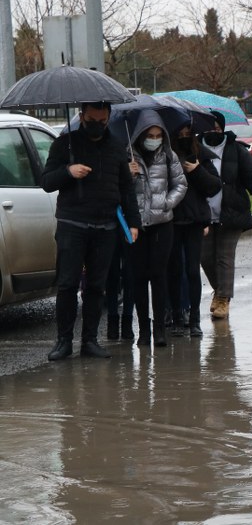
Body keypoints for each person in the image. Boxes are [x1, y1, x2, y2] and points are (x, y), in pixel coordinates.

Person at [41, 101, 142, 361]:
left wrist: (133, 222)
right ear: (81, 116)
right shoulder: (64, 144)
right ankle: (64, 341)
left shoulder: (117, 147)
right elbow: (47, 182)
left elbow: (126, 189)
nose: (97, 124)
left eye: (102, 120)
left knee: (97, 287)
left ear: (108, 118)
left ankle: (90, 340)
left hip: (106, 225)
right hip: (72, 224)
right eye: (91, 119)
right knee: (67, 285)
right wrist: (68, 171)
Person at [200, 111, 252, 320]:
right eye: (208, 128)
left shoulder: (236, 149)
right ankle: (219, 290)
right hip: (204, 213)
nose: (212, 132)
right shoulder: (194, 148)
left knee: (224, 256)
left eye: (216, 128)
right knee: (205, 257)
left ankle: (223, 299)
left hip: (232, 211)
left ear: (222, 128)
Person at [128, 110, 188, 347]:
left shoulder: (168, 155)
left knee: (158, 274)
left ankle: (160, 329)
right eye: (150, 135)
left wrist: (166, 203)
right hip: (137, 226)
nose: (154, 139)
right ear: (141, 135)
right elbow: (120, 190)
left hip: (162, 224)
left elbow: (180, 184)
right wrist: (128, 175)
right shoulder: (128, 156)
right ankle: (144, 329)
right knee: (138, 277)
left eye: (158, 135)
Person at [167, 123, 222, 337]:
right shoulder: (166, 156)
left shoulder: (200, 155)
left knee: (191, 270)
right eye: (179, 133)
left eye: (187, 134)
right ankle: (177, 316)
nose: (183, 137)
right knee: (174, 270)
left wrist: (196, 170)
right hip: (171, 220)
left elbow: (214, 186)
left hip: (194, 221)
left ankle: (194, 319)